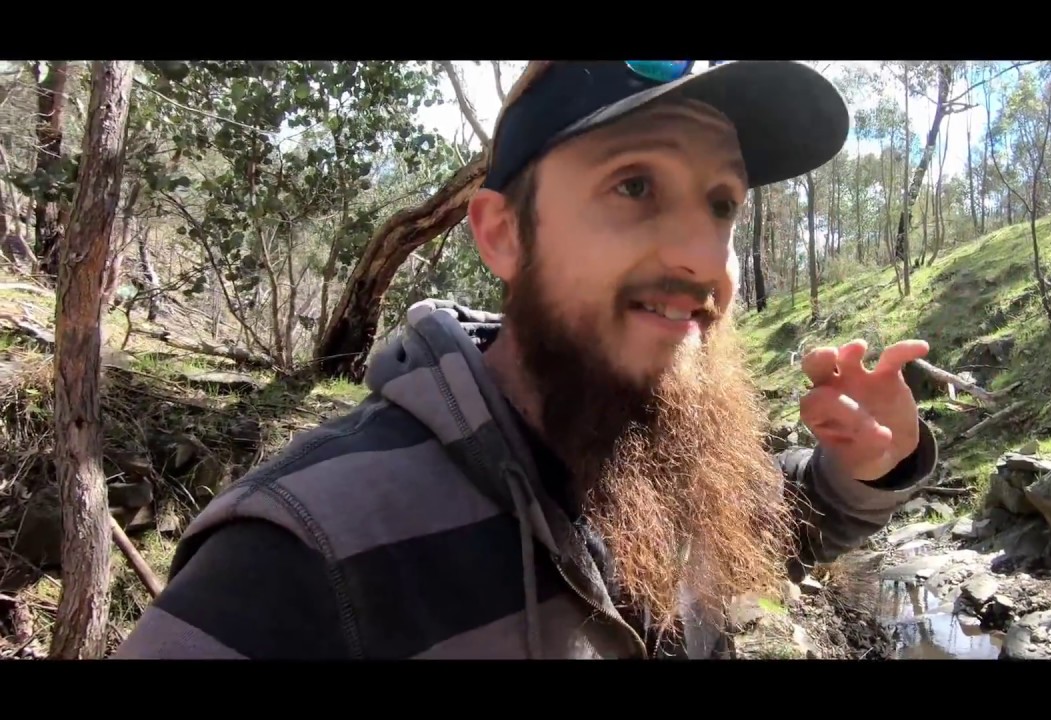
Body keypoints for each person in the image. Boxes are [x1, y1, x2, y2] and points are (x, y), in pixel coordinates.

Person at [113, 60, 938, 660]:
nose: (702, 255)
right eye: (635, 186)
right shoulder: (307, 549)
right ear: (505, 234)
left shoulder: (648, 449)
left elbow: (771, 522)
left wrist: (870, 466)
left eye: (722, 203)